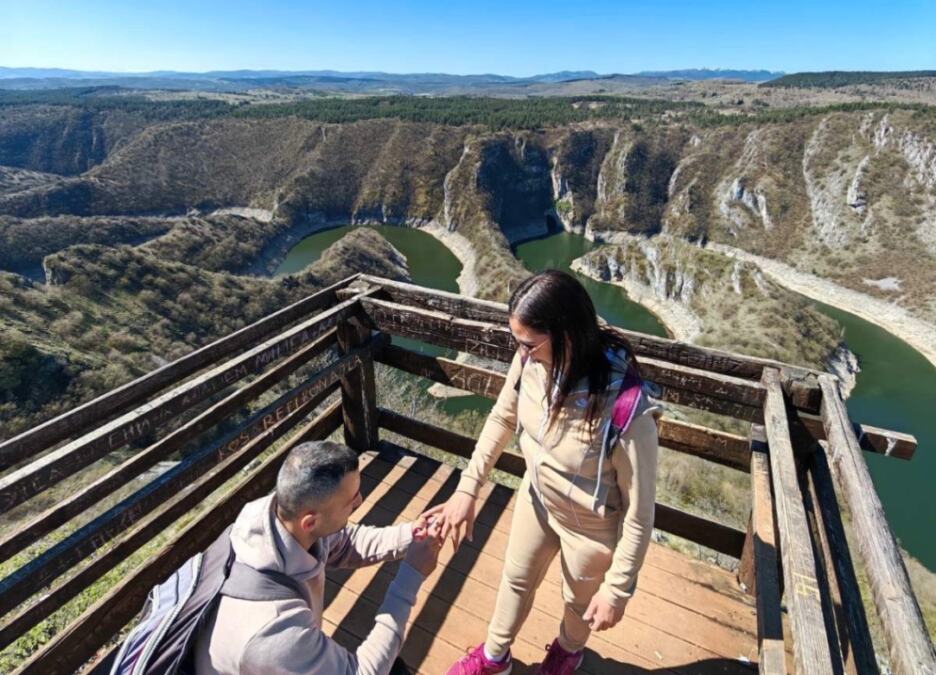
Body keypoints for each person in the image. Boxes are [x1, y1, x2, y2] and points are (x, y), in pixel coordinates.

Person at [429, 270, 660, 675]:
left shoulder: (625, 407)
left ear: (566, 335)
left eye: (529, 343)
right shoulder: (529, 362)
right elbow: (502, 418)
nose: (521, 351)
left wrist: (618, 590)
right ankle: (494, 658)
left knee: (578, 605)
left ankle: (566, 654)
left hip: (592, 529)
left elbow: (640, 514)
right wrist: (469, 489)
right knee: (515, 578)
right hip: (538, 499)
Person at [195, 439, 441, 675]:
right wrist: (411, 576)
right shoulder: (273, 629)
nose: (360, 501)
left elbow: (345, 543)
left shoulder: (276, 519)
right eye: (351, 501)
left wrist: (411, 535)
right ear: (310, 521)